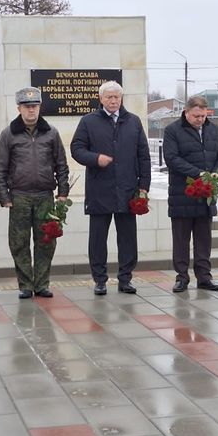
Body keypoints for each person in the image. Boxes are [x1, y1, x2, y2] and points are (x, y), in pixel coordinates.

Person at [70, 80, 151, 295]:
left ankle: (125, 278)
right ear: (101, 99)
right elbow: (76, 148)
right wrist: (95, 158)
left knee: (127, 238)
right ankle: (100, 279)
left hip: (127, 190)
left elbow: (143, 155)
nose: (113, 100)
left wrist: (144, 186)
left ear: (121, 98)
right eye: (109, 97)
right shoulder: (88, 121)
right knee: (98, 239)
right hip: (99, 190)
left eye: (116, 97)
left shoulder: (133, 122)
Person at [0, 87, 70, 299]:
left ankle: (42, 283)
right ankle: (26, 284)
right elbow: (0, 167)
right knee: (19, 242)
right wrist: (4, 196)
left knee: (46, 241)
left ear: (39, 107)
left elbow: (61, 165)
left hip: (45, 196)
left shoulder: (51, 133)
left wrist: (63, 192)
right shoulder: (9, 134)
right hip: (19, 196)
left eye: (34, 106)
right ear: (19, 108)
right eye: (27, 107)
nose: (31, 111)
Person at [163, 95, 218, 293]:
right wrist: (198, 174)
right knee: (181, 239)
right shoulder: (172, 130)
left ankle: (204, 276)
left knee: (204, 239)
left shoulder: (214, 130)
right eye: (196, 116)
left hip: (206, 194)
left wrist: (216, 173)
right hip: (182, 193)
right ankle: (182, 277)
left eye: (203, 116)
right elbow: (171, 158)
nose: (200, 120)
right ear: (186, 112)